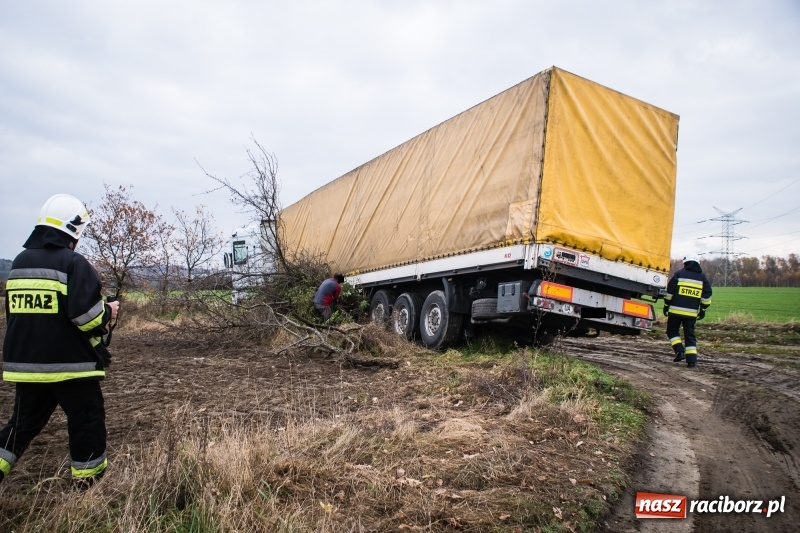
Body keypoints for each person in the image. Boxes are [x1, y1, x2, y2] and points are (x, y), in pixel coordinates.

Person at [0, 194, 119, 487]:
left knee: (20, 428)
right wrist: (108, 311)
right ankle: (88, 488)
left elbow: (15, 314)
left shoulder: (19, 263)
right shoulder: (73, 263)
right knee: (86, 423)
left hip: (27, 366)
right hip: (71, 367)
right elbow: (88, 318)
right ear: (73, 228)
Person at [663, 254, 712, 368]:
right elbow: (707, 294)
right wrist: (703, 309)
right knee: (689, 335)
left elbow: (670, 291)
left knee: (672, 331)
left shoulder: (679, 274)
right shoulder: (702, 277)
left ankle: (679, 351)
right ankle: (691, 361)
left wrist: (666, 305)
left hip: (675, 312)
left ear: (686, 263)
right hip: (691, 314)